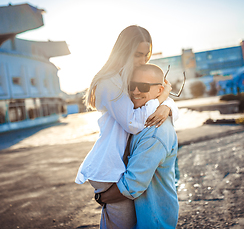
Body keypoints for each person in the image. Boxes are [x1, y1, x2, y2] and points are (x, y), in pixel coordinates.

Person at [75, 25, 179, 228]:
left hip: (118, 165)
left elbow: (153, 97)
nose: (143, 61)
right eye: (138, 55)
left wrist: (166, 105)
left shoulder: (131, 76)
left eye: (146, 55)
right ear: (123, 51)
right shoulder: (110, 82)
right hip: (109, 167)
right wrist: (162, 100)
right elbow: (133, 122)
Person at [100, 64, 179, 228]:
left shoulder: (154, 132)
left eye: (143, 86)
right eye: (131, 85)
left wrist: (101, 198)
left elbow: (131, 186)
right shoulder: (137, 121)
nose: (135, 91)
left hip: (153, 221)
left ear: (160, 91)